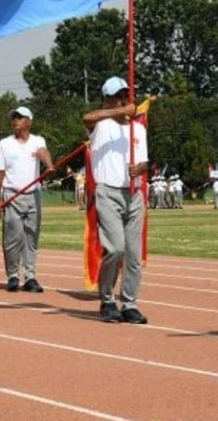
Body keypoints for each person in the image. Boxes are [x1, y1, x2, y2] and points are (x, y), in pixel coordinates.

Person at [84, 78, 149, 323]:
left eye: (126, 95)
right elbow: (87, 118)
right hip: (108, 192)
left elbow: (144, 160)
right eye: (118, 96)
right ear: (108, 99)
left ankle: (129, 303)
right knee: (115, 248)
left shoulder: (138, 129)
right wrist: (117, 111)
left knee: (133, 254)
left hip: (133, 193)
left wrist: (140, 169)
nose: (125, 99)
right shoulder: (100, 125)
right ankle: (107, 299)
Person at [0, 105, 53, 294]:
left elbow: (43, 152)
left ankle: (30, 276)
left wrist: (49, 165)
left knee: (31, 237)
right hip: (12, 195)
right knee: (13, 237)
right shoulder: (4, 144)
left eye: (19, 118)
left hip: (33, 195)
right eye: (14, 117)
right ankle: (13, 275)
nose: (15, 121)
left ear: (29, 121)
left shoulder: (38, 140)